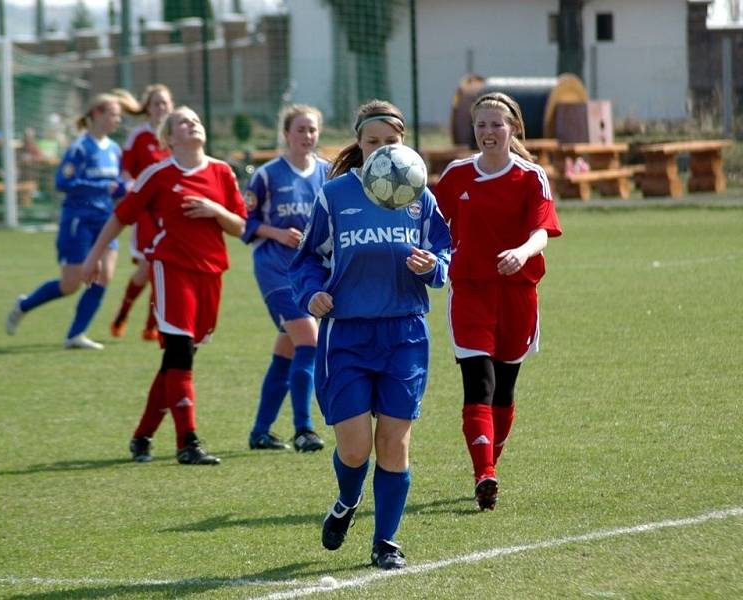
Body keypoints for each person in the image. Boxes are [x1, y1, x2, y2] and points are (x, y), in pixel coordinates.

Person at [289, 100, 451, 570]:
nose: (383, 149)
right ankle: (346, 501)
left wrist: (433, 267)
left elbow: (445, 253)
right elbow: (305, 262)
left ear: (404, 143)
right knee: (355, 448)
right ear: (359, 145)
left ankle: (386, 542)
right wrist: (312, 294)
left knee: (395, 442)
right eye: (373, 141)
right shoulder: (335, 195)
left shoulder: (421, 196)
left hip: (405, 334)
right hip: (347, 336)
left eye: (392, 141)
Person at [82, 106, 247, 465]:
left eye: (197, 120)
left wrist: (213, 210)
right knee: (179, 354)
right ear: (169, 138)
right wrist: (93, 257)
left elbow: (240, 226)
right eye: (184, 122)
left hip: (212, 272)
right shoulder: (157, 174)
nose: (193, 125)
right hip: (171, 269)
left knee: (178, 361)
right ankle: (187, 442)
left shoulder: (221, 172)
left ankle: (142, 436)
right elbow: (121, 216)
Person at [434, 92, 562, 512]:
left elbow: (543, 230)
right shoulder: (456, 176)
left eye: (496, 124)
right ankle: (484, 473)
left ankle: (489, 466)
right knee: (479, 383)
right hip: (470, 293)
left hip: (517, 295)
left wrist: (522, 252)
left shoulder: (530, 176)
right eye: (481, 125)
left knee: (504, 389)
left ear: (513, 129)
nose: (488, 132)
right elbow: (431, 226)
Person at [5, 93, 129, 349]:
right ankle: (24, 305)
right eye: (113, 114)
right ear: (96, 114)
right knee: (70, 284)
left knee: (104, 276)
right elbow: (62, 182)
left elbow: (116, 186)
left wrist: (124, 189)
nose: (118, 119)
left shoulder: (115, 149)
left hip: (105, 220)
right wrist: (102, 186)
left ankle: (75, 334)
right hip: (78, 220)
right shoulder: (80, 147)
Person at [241, 104, 329, 453]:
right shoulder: (267, 176)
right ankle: (303, 429)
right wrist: (276, 233)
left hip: (309, 272)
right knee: (310, 339)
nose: (307, 136)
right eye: (300, 129)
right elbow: (244, 222)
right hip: (275, 269)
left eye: (312, 130)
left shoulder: (327, 172)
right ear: (286, 133)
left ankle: (261, 431)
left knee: (287, 351)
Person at [109, 84, 175, 342]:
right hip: (147, 214)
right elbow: (126, 171)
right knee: (148, 268)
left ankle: (152, 326)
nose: (161, 108)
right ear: (147, 108)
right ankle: (123, 312)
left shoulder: (176, 135)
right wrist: (128, 186)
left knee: (165, 267)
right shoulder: (139, 136)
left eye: (165, 103)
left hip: (170, 213)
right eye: (156, 103)